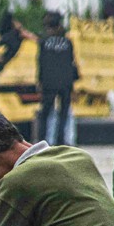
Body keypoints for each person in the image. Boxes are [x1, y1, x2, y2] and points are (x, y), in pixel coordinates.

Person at [37, 11, 78, 145]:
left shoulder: (44, 43)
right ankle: (61, 141)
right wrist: (72, 85)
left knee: (45, 113)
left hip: (49, 83)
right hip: (65, 83)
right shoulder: (67, 43)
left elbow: (41, 63)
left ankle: (42, 140)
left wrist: (40, 81)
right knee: (63, 113)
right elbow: (70, 63)